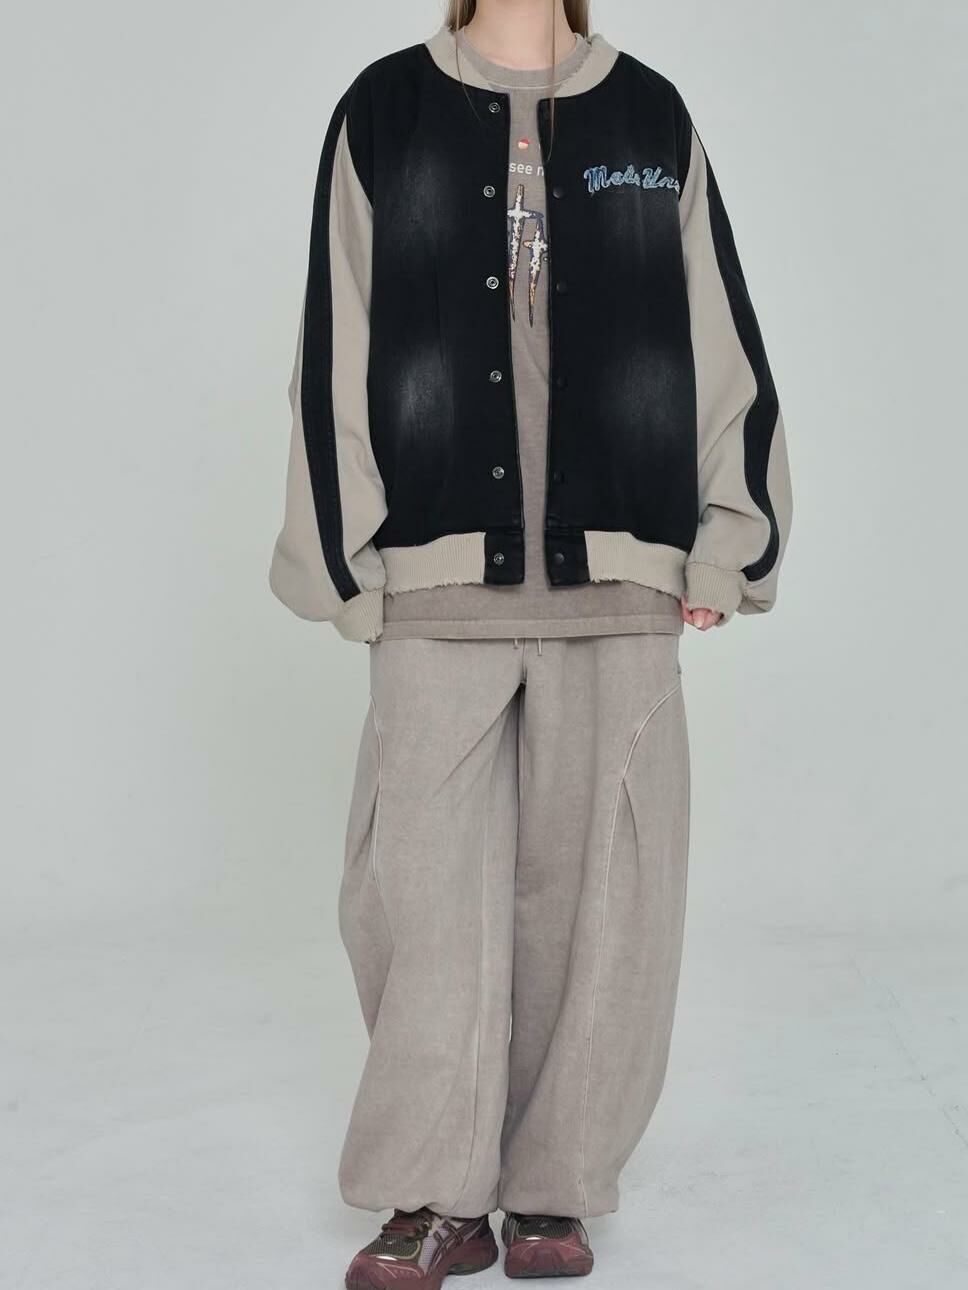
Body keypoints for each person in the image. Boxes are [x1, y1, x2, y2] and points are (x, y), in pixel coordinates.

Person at [270, 0, 792, 1283]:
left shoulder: (649, 114)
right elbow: (335, 334)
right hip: (434, 570)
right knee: (416, 895)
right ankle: (431, 1192)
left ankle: (556, 1186)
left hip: (621, 572)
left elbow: (719, 334)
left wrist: (728, 538)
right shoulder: (384, 109)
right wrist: (342, 556)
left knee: (606, 896)